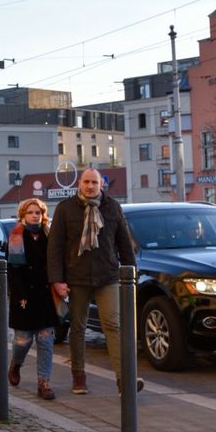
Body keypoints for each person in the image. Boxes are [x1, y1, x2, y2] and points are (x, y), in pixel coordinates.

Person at [47, 168, 140, 395]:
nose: (90, 186)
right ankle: (78, 377)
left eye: (94, 183)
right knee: (78, 329)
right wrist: (57, 280)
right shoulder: (65, 209)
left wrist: (131, 275)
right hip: (76, 278)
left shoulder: (112, 207)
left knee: (113, 325)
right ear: (80, 183)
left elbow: (125, 245)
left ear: (101, 185)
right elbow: (55, 248)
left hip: (107, 276)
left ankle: (124, 380)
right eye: (86, 182)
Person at [5, 198, 59, 401]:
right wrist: (20, 295)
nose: (35, 215)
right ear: (23, 215)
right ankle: (16, 364)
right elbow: (13, 270)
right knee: (23, 340)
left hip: (45, 295)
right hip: (24, 295)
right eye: (30, 212)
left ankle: (44, 383)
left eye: (38, 212)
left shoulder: (49, 235)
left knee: (46, 340)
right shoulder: (16, 237)